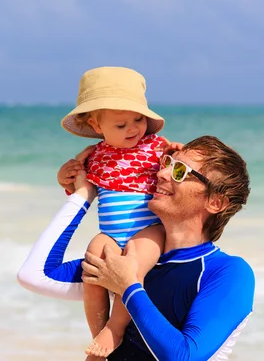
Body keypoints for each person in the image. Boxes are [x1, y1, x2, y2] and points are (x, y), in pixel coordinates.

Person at [17, 135, 256, 360]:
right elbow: (35, 275)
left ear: (215, 202)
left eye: (179, 171)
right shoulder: (132, 259)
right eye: (167, 163)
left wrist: (128, 286)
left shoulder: (228, 272)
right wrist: (84, 194)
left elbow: (185, 355)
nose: (161, 173)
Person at [57, 66, 179, 357]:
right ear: (96, 125)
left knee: (132, 266)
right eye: (121, 124)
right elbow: (77, 187)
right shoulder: (94, 156)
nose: (133, 129)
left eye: (138, 119)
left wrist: (178, 152)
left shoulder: (155, 147)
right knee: (93, 260)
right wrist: (64, 176)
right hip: (111, 233)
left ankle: (116, 327)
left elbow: (179, 171)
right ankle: (98, 332)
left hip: (149, 229)